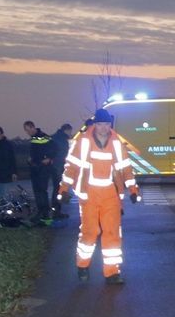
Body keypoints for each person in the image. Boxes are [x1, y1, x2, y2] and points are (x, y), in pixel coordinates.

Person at [57, 108, 140, 285]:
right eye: (100, 124)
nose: (103, 128)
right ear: (95, 124)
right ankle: (82, 265)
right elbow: (71, 166)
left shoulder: (116, 143)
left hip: (111, 195)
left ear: (110, 125)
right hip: (89, 195)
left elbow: (126, 168)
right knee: (90, 232)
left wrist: (133, 189)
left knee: (112, 233)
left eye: (107, 124)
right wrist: (63, 189)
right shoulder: (83, 142)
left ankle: (112, 272)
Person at [24, 120, 53, 224]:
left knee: (42, 191)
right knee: (37, 192)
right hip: (35, 168)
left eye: (29, 130)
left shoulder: (43, 137)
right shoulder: (33, 139)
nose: (28, 132)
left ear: (33, 127)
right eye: (26, 131)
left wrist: (49, 158)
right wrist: (30, 159)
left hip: (43, 169)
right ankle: (40, 212)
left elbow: (54, 148)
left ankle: (45, 214)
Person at [48, 123, 73, 219]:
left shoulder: (54, 137)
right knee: (59, 189)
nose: (70, 133)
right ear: (67, 130)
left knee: (56, 189)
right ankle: (57, 211)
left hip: (54, 167)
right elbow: (64, 154)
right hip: (59, 167)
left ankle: (55, 210)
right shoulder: (63, 140)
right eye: (70, 131)